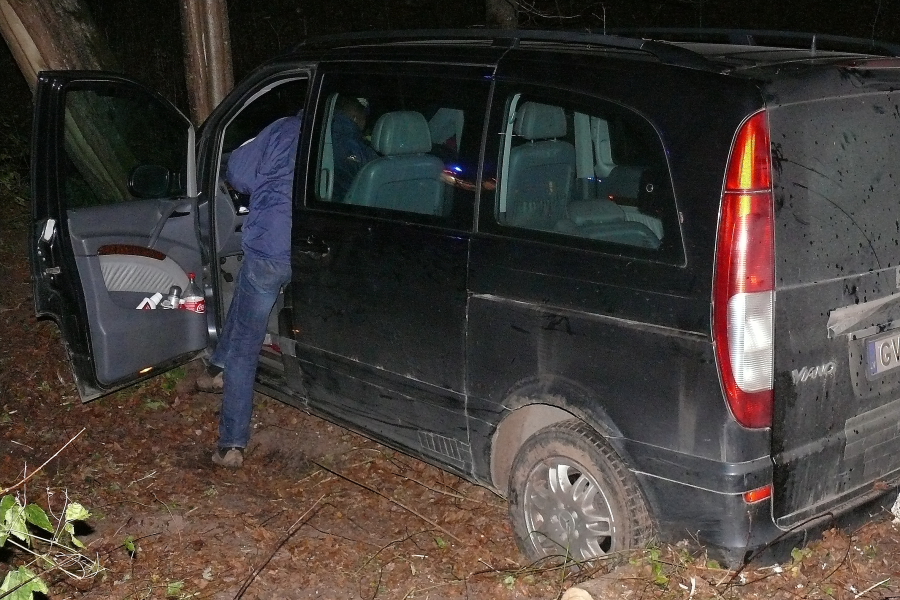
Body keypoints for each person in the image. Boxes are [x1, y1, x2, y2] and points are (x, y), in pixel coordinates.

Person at [196, 113, 302, 469]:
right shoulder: (339, 137)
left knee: (246, 344)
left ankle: (231, 444)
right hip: (313, 248)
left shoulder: (286, 128)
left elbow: (239, 173)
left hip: (272, 247)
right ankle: (216, 369)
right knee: (245, 290)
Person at [331, 96, 378, 201]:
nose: (365, 124)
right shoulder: (357, 149)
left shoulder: (324, 134)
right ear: (355, 118)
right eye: (364, 118)